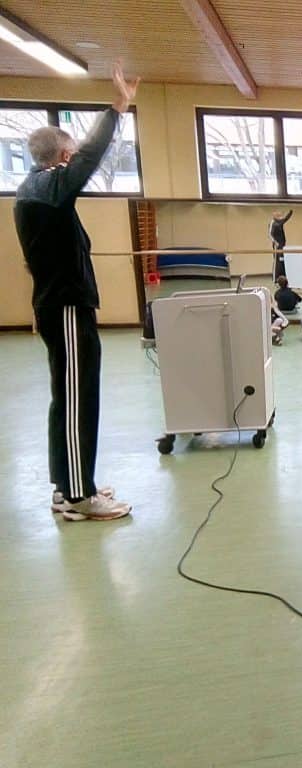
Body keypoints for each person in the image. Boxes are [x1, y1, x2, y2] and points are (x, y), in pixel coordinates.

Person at [17, 61, 138, 521]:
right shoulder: (47, 188)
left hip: (61, 305)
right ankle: (78, 497)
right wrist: (117, 109)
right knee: (76, 397)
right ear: (62, 157)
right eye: (71, 155)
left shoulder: (38, 191)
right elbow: (89, 159)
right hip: (66, 306)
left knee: (66, 396)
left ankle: (67, 484)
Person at [270, 209, 293, 279]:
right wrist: (276, 243)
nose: (279, 216)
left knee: (282, 260)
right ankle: (275, 278)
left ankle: (283, 276)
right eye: (277, 215)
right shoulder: (272, 223)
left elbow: (286, 218)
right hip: (277, 245)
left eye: (280, 215)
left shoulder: (280, 222)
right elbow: (270, 235)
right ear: (274, 215)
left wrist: (290, 212)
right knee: (277, 261)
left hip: (283, 244)